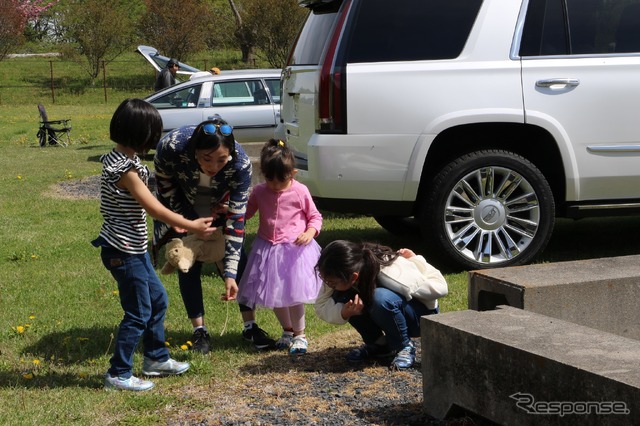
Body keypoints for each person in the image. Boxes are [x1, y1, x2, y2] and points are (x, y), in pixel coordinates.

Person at [92, 98, 217, 391]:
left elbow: (148, 204)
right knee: (138, 311)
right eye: (154, 131)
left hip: (133, 249)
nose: (156, 137)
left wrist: (173, 220)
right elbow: (153, 208)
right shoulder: (124, 170)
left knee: (157, 300)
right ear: (142, 133)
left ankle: (155, 358)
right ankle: (118, 373)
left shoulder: (123, 160)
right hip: (123, 251)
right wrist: (190, 225)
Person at [153, 118, 276, 354]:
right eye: (206, 158)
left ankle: (250, 326)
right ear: (193, 151)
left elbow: (237, 221)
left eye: (222, 159)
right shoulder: (171, 147)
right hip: (180, 206)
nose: (214, 166)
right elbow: (165, 187)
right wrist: (188, 220)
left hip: (220, 206)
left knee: (238, 263)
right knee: (187, 262)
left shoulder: (240, 165)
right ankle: (199, 331)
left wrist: (229, 273)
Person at [237, 139, 323, 356]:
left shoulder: (300, 191)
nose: (274, 186)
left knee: (294, 295)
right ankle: (287, 330)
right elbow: (246, 214)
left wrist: (310, 232)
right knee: (274, 294)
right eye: (269, 179)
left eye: (281, 180)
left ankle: (300, 334)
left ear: (292, 173)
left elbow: (314, 217)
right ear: (263, 174)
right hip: (267, 249)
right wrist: (231, 213)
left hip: (295, 251)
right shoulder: (259, 191)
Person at [315, 240, 448, 370]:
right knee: (345, 297)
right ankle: (380, 344)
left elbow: (441, 288)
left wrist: (416, 260)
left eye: (332, 283)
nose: (328, 285)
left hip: (421, 317)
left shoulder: (390, 270)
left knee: (379, 297)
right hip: (391, 310)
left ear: (354, 277)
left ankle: (403, 346)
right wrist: (343, 312)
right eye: (325, 280)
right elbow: (321, 306)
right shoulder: (342, 272)